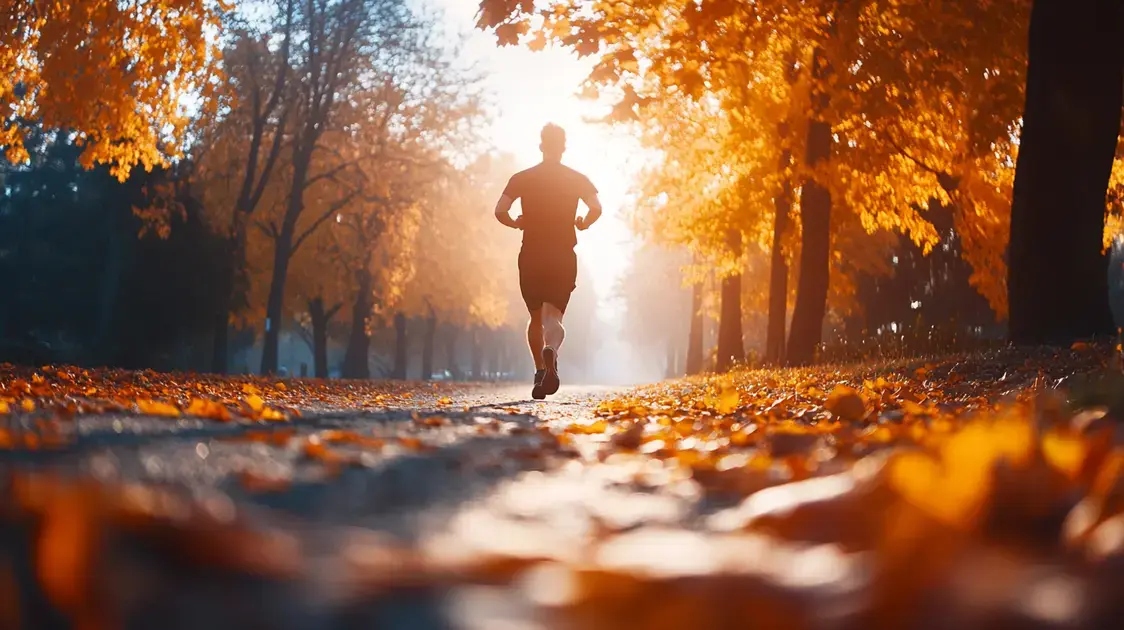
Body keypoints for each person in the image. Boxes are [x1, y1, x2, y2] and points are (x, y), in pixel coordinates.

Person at [494, 123, 602, 399]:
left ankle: (541, 372)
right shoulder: (577, 178)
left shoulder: (522, 178)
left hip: (531, 255)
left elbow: (500, 210)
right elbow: (596, 207)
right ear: (563, 148)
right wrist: (584, 222)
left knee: (534, 318)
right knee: (553, 317)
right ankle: (551, 351)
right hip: (562, 255)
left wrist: (515, 222)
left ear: (541, 146)